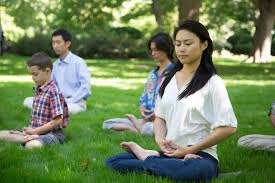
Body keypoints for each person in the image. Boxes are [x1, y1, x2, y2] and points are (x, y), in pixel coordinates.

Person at [105, 20, 238, 182]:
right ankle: (156, 159)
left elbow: (229, 127)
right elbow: (160, 117)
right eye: (178, 44)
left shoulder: (213, 82)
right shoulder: (168, 79)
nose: (182, 48)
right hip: (171, 153)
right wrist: (160, 141)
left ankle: (149, 158)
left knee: (196, 171)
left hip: (200, 155)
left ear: (204, 45)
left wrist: (190, 150)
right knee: (113, 162)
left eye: (188, 43)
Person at [102, 32, 174, 136]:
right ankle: (137, 129)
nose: (153, 53)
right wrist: (143, 108)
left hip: (164, 121)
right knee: (107, 124)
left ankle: (136, 127)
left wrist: (158, 114)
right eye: (151, 50)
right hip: (147, 119)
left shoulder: (175, 74)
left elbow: (174, 102)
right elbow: (144, 96)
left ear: (167, 49)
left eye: (156, 50)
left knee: (155, 130)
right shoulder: (152, 74)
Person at [0, 52, 69, 149]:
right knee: (2, 135)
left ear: (47, 71)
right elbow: (37, 118)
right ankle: (27, 138)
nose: (32, 77)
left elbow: (57, 120)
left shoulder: (53, 91)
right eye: (31, 74)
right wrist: (28, 131)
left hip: (52, 134)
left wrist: (36, 132)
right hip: (36, 132)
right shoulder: (39, 89)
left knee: (31, 145)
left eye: (35, 74)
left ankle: (30, 141)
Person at [23, 29, 91, 114]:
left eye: (58, 42)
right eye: (53, 43)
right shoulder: (54, 65)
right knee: (27, 101)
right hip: (57, 101)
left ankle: (48, 110)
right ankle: (49, 109)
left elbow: (86, 88)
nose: (55, 46)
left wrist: (69, 101)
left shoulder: (79, 62)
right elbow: (50, 85)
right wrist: (39, 86)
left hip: (75, 103)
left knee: (62, 109)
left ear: (67, 44)